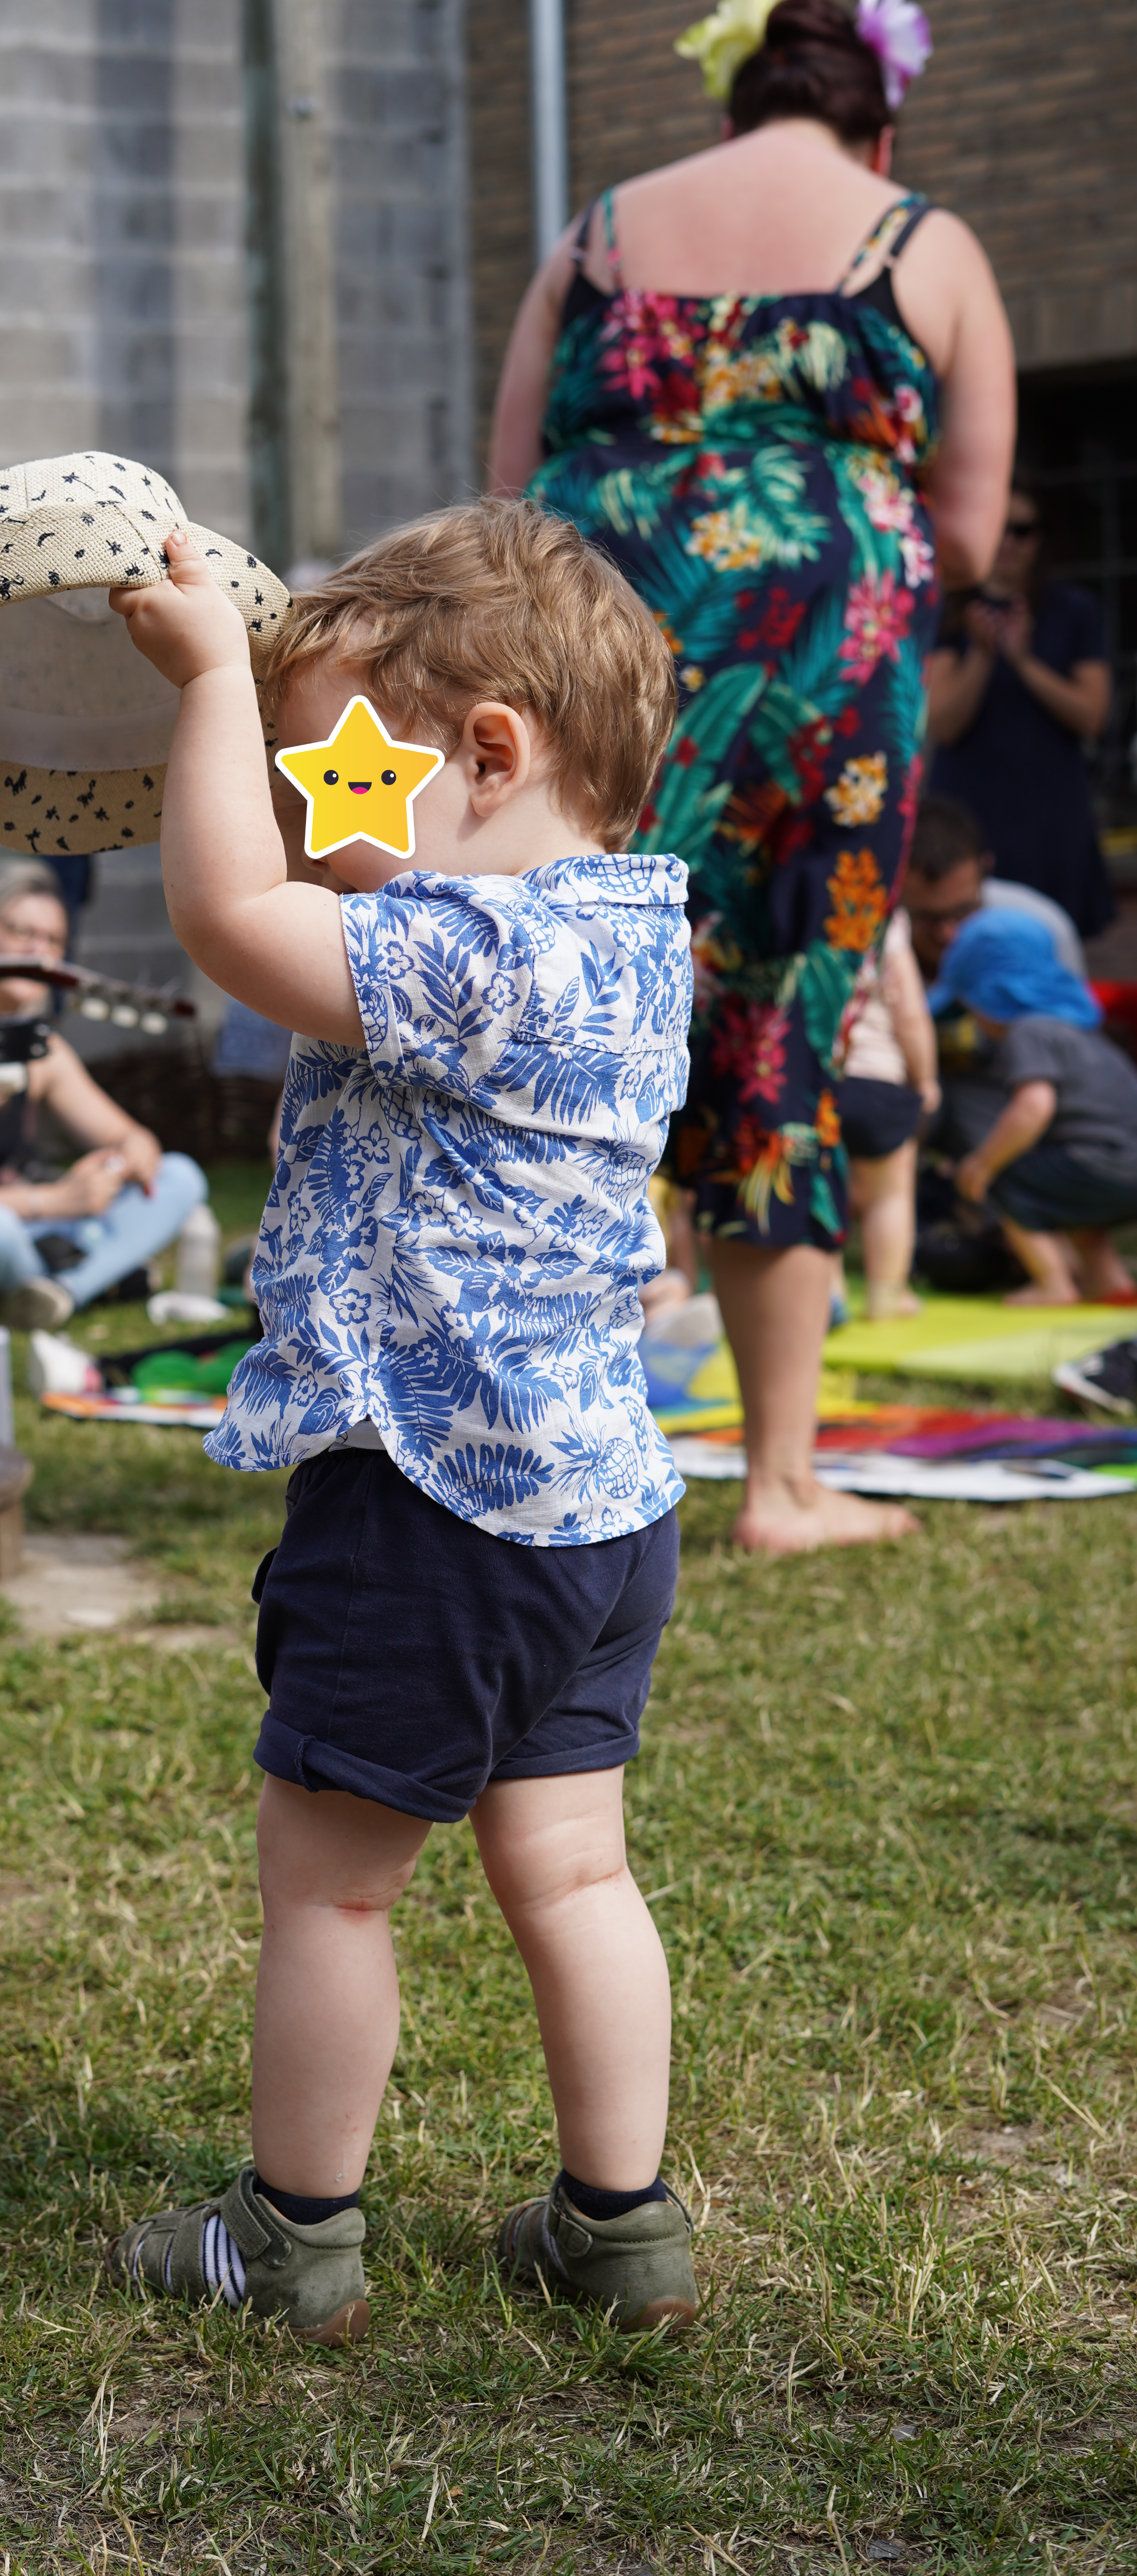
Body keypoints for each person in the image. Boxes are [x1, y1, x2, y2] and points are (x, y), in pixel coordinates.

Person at [101, 500, 700, 2341]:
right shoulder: (629, 936)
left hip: (430, 1503)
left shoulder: (468, 948)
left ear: (494, 754)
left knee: (333, 1895)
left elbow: (224, 913)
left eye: (340, 775)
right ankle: (618, 2228)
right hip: (597, 1511)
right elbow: (294, 874)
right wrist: (274, 697)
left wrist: (211, 680)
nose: (306, 819)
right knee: (573, 1864)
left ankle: (291, 2238)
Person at [490, 0, 1014, 1551]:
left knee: (554, 1012)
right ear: (881, 126)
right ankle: (779, 1483)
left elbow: (510, 489)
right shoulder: (921, 239)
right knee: (778, 1032)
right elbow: (973, 535)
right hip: (818, 689)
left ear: (727, 112)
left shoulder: (594, 233)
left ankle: (508, 1452)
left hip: (593, 675)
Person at [0, 862, 207, 1330]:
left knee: (179, 1178)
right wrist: (56, 1201)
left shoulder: (41, 1051)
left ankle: (57, 1294)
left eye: (53, 941)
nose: (38, 952)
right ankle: (91, 1277)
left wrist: (114, 1166)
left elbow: (133, 1138)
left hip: (20, 1227)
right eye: (22, 932)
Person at [927, 480, 1115, 940]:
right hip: (971, 812)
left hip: (1052, 811)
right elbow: (942, 724)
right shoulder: (949, 612)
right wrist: (983, 654)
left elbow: (1091, 717)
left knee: (1063, 949)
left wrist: (1023, 661)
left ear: (1041, 539)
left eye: (1022, 529)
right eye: (1000, 527)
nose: (1009, 541)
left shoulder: (1072, 609)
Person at [936, 909, 1137, 1308]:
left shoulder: (1027, 1033)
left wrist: (984, 1163)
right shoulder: (1077, 1034)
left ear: (992, 997)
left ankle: (1053, 1284)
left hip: (1103, 1164)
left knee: (1008, 1178)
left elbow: (1034, 1106)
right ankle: (1111, 1283)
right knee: (1065, 1193)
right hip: (1122, 1165)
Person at [838, 903, 937, 1318]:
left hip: (818, 1077)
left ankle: (829, 1292)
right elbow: (910, 1012)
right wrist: (927, 1079)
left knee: (824, 1190)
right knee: (890, 1195)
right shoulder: (884, 913)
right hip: (879, 1077)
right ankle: (886, 1295)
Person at [903, 792, 1086, 989]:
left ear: (986, 869)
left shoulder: (1042, 928)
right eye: (928, 918)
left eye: (963, 911)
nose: (949, 934)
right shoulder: (871, 948)